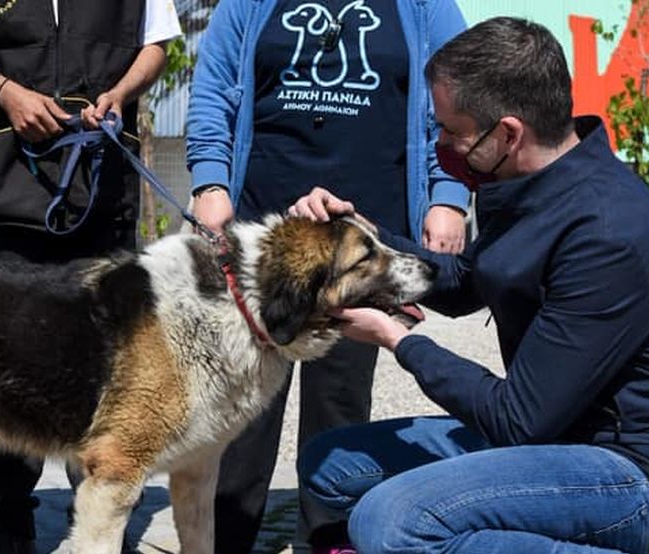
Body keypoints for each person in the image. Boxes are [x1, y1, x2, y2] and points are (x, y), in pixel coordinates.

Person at [290, 16, 649, 554]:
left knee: (391, 520)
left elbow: (517, 419)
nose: (442, 144)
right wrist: (365, 235)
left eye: (452, 131)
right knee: (331, 464)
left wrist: (396, 339)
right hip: (555, 436)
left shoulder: (606, 234)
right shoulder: (529, 185)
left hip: (633, 474)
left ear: (509, 133)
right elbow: (465, 281)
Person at [184, 0, 469, 551]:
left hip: (366, 244)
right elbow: (213, 87)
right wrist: (210, 182)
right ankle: (224, 539)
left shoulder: (424, 6)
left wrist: (449, 198)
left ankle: (329, 539)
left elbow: (456, 97)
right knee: (243, 406)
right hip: (266, 239)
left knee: (340, 407)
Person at [0, 1, 180, 552]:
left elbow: (158, 45)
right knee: (1, 359)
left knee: (109, 364)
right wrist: (7, 92)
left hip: (102, 185)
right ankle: (2, 523)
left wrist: (121, 93)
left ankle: (101, 520)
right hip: (4, 179)